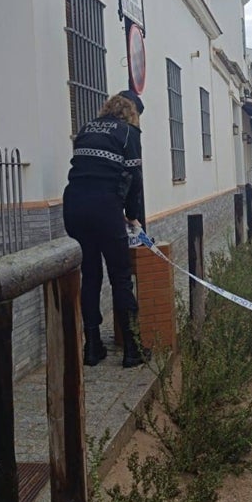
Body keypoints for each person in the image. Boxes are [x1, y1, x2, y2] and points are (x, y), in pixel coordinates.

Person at [63, 89, 150, 368]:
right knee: (120, 277)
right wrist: (133, 216)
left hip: (75, 207)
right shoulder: (128, 133)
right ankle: (132, 349)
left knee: (90, 275)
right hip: (105, 207)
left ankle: (92, 347)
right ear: (132, 111)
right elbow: (134, 178)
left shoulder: (87, 128)